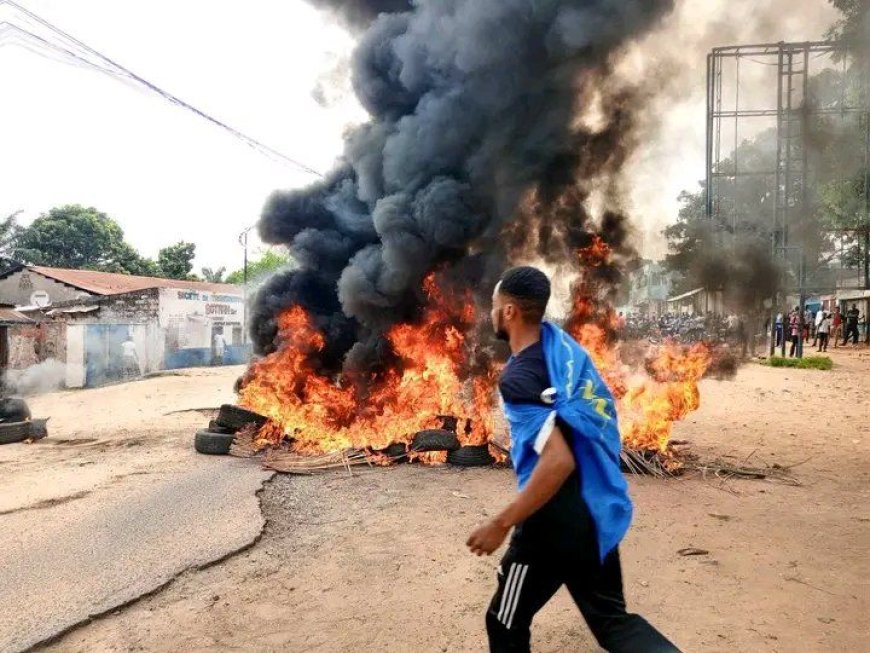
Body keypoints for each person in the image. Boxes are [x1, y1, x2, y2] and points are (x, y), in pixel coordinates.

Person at [467, 266, 679, 653]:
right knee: (613, 623)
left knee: (503, 621)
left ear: (510, 312)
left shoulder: (520, 377)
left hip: (550, 522)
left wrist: (500, 523)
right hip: (593, 506)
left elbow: (557, 461)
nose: (491, 314)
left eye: (495, 306)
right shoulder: (561, 349)